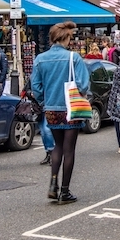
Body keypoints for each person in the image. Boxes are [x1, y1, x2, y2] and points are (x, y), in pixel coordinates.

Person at [31, 21, 90, 204]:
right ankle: (64, 191)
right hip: (70, 107)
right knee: (69, 149)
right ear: (65, 38)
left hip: (51, 108)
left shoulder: (40, 59)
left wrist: (44, 100)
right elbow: (83, 84)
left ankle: (53, 183)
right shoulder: (74, 58)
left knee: (57, 146)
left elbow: (36, 87)